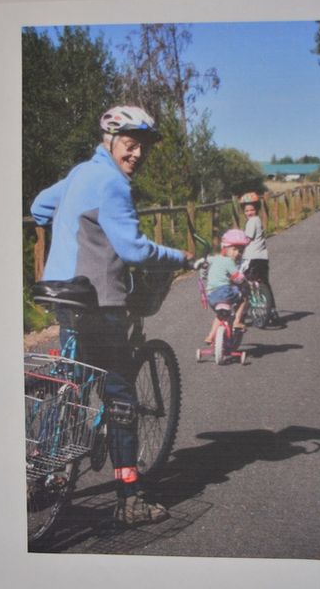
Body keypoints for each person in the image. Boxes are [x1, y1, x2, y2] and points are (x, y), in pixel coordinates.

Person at [31, 104, 192, 527]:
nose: (137, 153)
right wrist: (181, 256)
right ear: (110, 140)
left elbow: (39, 208)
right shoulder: (113, 184)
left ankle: (44, 465)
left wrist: (76, 227)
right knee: (121, 396)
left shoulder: (80, 174)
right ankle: (131, 498)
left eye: (143, 147)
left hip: (64, 295)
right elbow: (136, 249)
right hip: (99, 301)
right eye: (130, 143)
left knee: (76, 374)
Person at [201, 229, 250, 344]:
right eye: (234, 249)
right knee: (244, 298)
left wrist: (203, 269)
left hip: (211, 295)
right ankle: (237, 321)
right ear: (225, 248)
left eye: (240, 250)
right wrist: (245, 283)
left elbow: (204, 262)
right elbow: (238, 277)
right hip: (224, 293)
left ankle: (210, 336)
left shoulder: (214, 258)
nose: (237, 253)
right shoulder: (229, 262)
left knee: (221, 316)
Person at [238, 192, 280, 324]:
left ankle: (242, 312)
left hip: (251, 257)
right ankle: (272, 311)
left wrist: (236, 247)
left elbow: (247, 239)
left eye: (252, 209)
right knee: (264, 282)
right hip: (262, 257)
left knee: (244, 283)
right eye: (246, 210)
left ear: (256, 209)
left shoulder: (252, 221)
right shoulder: (259, 220)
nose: (249, 212)